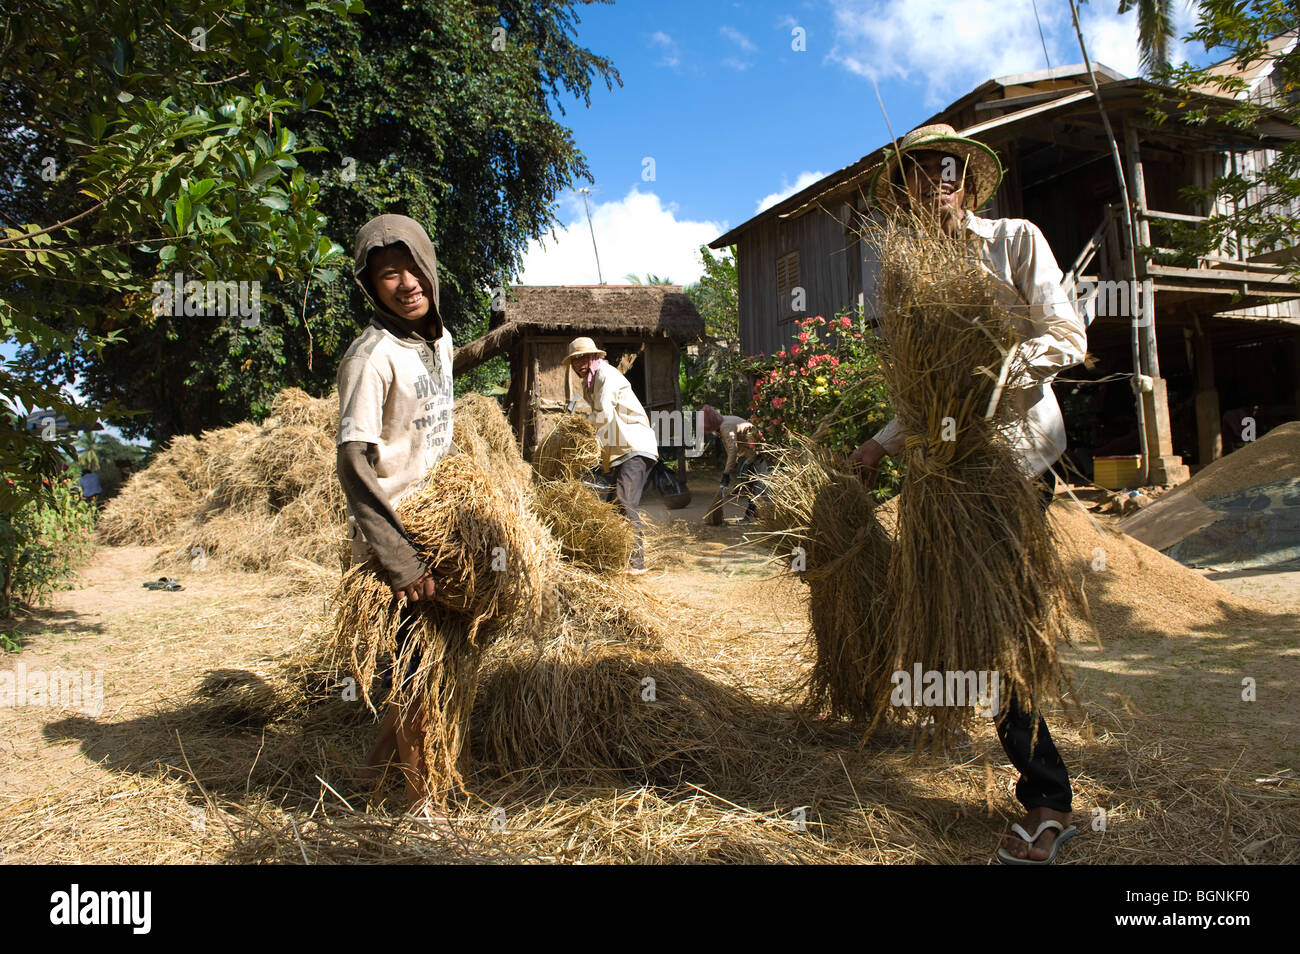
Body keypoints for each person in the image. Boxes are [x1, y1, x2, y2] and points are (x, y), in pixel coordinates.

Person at [849, 124, 1087, 865]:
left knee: (1002, 628)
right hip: (944, 474)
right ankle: (976, 728)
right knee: (961, 621)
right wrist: (880, 444)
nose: (936, 180)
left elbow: (1065, 334)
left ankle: (1047, 797)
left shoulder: (1013, 239)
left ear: (966, 179)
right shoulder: (908, 280)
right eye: (919, 171)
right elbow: (923, 391)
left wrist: (999, 375)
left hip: (1016, 460)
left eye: (947, 167)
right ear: (906, 191)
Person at [335, 213, 454, 816]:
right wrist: (400, 560)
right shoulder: (370, 356)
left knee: (432, 667)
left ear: (429, 266)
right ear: (370, 286)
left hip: (440, 534)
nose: (405, 283)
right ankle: (419, 810)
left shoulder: (438, 340)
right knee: (418, 676)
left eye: (412, 267)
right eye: (387, 275)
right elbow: (354, 463)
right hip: (398, 545)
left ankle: (369, 774)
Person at [566, 337, 658, 575]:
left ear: (594, 357)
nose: (579, 364)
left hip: (635, 445)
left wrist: (585, 434)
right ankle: (618, 556)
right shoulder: (590, 384)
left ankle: (637, 563)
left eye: (583, 358)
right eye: (575, 360)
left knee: (624, 500)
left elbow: (604, 414)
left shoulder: (605, 375)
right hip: (619, 450)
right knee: (614, 505)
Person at [700, 405, 764, 522]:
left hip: (758, 452)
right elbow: (732, 451)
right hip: (752, 453)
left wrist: (726, 474)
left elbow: (733, 451)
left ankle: (750, 515)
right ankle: (752, 513)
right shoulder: (723, 423)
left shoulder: (725, 427)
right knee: (750, 483)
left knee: (750, 483)